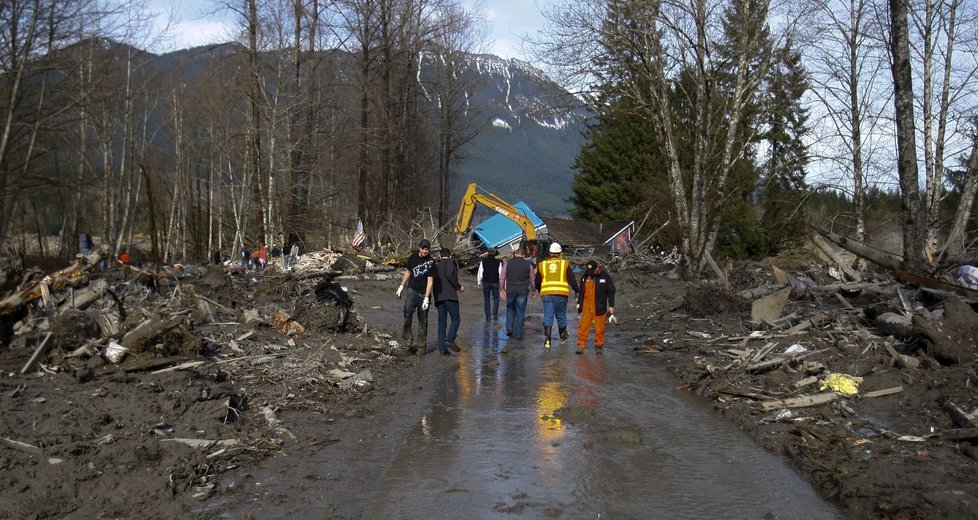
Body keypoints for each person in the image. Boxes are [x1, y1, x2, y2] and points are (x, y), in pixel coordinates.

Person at [396, 239, 436, 355]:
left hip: (424, 293)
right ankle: (407, 339)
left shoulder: (431, 262)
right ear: (419, 248)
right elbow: (408, 272)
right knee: (407, 312)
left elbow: (430, 282)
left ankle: (421, 347)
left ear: (429, 250)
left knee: (423, 320)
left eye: (427, 249)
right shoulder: (413, 257)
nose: (425, 250)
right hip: (412, 291)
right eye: (423, 248)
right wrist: (401, 286)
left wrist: (427, 298)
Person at [534, 242, 577, 349]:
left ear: (550, 252)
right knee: (561, 315)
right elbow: (572, 279)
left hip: (547, 294)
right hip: (561, 294)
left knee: (548, 316)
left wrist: (540, 290)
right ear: (559, 253)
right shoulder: (564, 264)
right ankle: (562, 337)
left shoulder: (542, 264)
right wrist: (577, 290)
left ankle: (547, 340)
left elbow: (537, 281)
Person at [575, 259, 616, 354]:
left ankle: (599, 345)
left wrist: (611, 305)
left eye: (592, 271)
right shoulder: (585, 277)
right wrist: (580, 304)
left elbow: (611, 291)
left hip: (599, 306)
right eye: (588, 271)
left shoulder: (604, 277)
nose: (590, 273)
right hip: (587, 306)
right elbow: (581, 291)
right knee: (583, 326)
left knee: (599, 328)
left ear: (597, 268)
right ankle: (581, 345)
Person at [500, 247, 536, 341]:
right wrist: (533, 290)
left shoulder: (508, 263)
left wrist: (502, 288)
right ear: (524, 255)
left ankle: (509, 327)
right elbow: (532, 280)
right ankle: (519, 334)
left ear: (515, 254)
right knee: (520, 312)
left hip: (511, 290)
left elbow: (502, 276)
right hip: (522, 291)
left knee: (510, 308)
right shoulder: (528, 265)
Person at [434, 248, 464, 356]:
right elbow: (449, 275)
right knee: (456, 319)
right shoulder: (451, 263)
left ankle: (442, 349)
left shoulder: (436, 266)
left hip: (439, 297)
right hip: (450, 296)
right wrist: (458, 286)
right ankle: (450, 339)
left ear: (440, 256)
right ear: (450, 256)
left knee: (442, 323)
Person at [478, 248, 502, 321]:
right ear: (495, 253)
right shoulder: (498, 262)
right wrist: (502, 284)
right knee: (496, 298)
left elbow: (480, 272)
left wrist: (479, 281)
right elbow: (500, 273)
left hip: (486, 281)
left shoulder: (483, 261)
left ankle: (488, 315)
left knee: (486, 299)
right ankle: (495, 311)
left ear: (487, 253)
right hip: (495, 281)